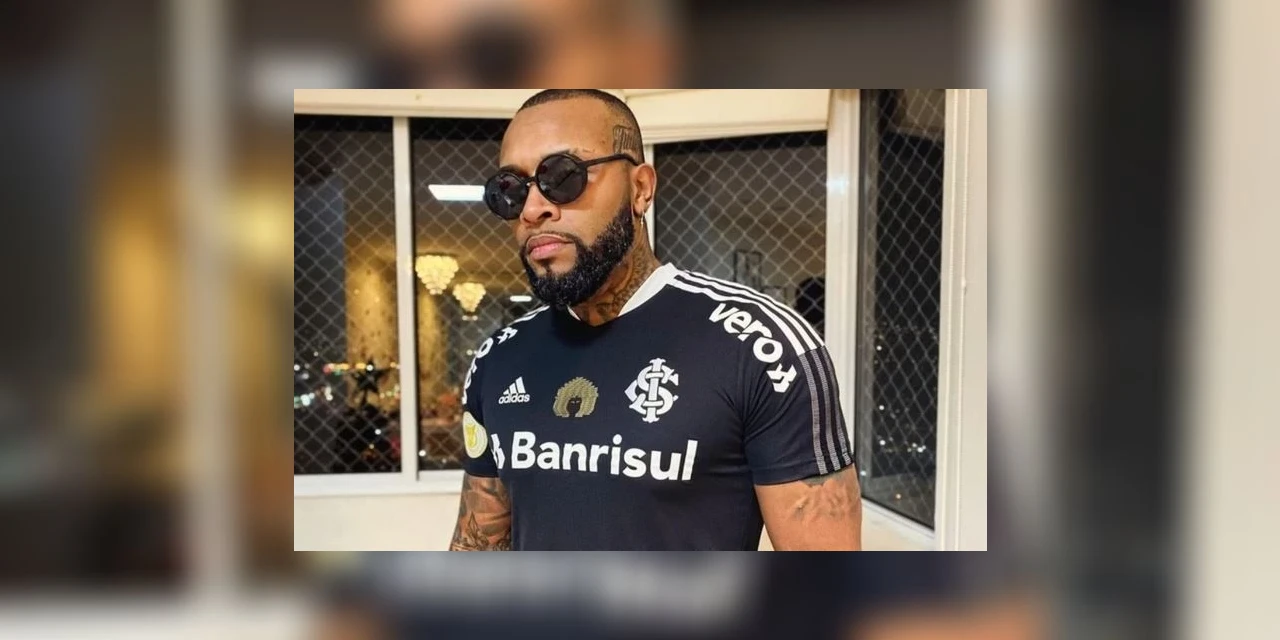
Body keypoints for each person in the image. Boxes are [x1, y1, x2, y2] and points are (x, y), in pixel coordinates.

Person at [449, 89, 860, 550]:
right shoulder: (499, 358)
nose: (532, 209)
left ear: (640, 189)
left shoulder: (762, 347)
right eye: (510, 190)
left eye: (562, 176)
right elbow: (477, 544)